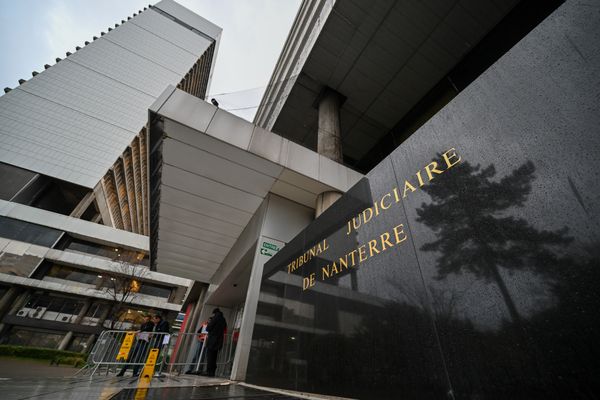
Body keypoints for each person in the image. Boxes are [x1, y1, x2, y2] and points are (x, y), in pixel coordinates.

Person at [204, 308, 227, 377]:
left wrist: (209, 324)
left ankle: (209, 372)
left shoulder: (215, 318)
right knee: (214, 356)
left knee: (210, 356)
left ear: (214, 313)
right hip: (219, 340)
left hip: (212, 340)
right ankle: (213, 372)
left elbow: (208, 328)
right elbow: (224, 327)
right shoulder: (223, 319)